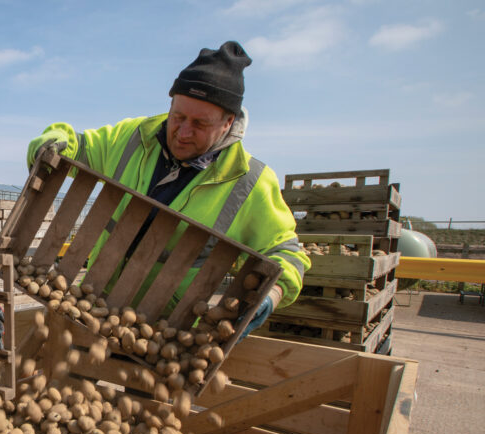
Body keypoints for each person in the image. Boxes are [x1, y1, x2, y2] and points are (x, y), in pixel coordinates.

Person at [26, 41, 309, 337]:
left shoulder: (249, 182)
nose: (184, 133)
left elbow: (285, 252)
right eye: (178, 117)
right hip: (91, 303)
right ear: (170, 104)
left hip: (163, 332)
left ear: (228, 123)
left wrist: (271, 295)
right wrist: (52, 139)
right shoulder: (133, 137)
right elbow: (80, 147)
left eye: (200, 124)